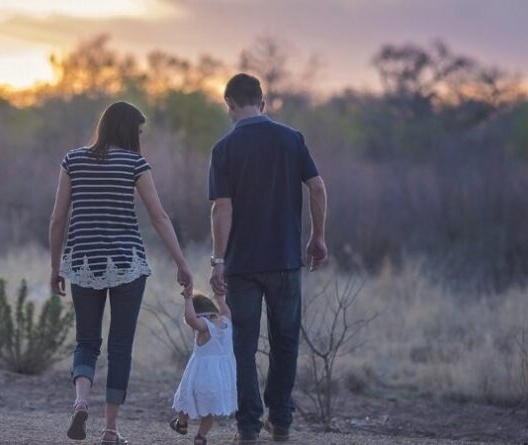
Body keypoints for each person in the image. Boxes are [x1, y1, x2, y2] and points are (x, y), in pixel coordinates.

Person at [49, 101, 193, 444]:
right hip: (127, 263)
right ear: (129, 130)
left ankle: (81, 401)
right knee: (120, 346)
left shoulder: (73, 160)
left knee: (86, 340)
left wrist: (55, 267)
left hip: (83, 262)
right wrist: (181, 262)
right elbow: (159, 217)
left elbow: (57, 219)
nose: (140, 137)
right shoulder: (135, 163)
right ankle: (110, 429)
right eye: (139, 131)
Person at [208, 73, 328, 443]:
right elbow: (317, 188)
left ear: (229, 105)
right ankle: (281, 422)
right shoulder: (292, 139)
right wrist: (317, 237)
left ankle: (247, 429)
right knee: (285, 342)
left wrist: (218, 260)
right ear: (262, 102)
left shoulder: (224, 148)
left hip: (242, 264)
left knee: (242, 345)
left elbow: (221, 209)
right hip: (285, 261)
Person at [170, 293, 237, 445]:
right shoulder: (227, 321)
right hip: (220, 377)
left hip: (200, 374)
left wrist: (188, 299)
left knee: (185, 397)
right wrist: (220, 298)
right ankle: (201, 436)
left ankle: (182, 424)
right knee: (210, 410)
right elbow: (226, 311)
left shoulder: (205, 327)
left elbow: (191, 319)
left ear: (200, 315)